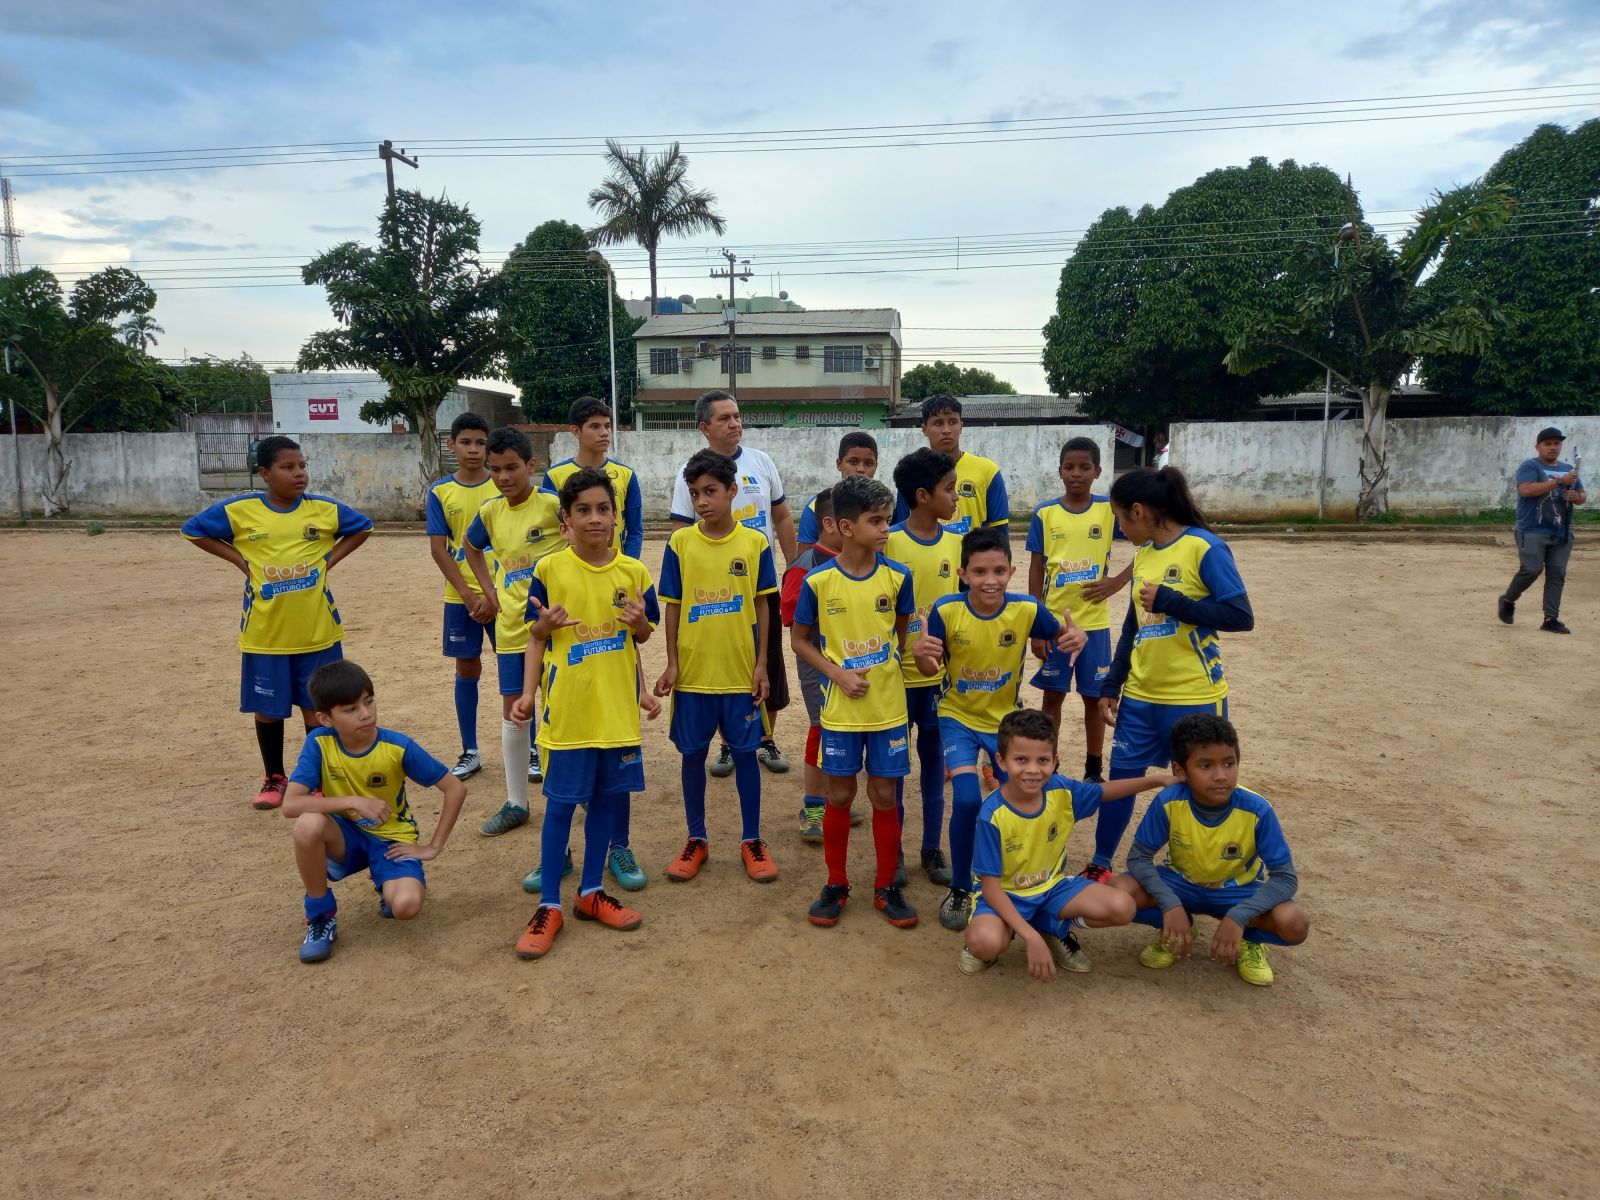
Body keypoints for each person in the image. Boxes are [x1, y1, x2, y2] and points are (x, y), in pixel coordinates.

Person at [510, 467, 661, 960]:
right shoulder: (551, 572)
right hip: (568, 717)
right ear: (565, 523)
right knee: (559, 807)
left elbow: (640, 638)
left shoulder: (635, 573)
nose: (594, 518)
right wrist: (528, 695)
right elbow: (536, 638)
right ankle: (549, 905)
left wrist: (641, 632)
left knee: (606, 803)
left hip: (616, 716)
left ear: (616, 516)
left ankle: (591, 892)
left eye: (603, 509)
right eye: (583, 511)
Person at [181, 435, 372, 810]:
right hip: (266, 635)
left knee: (316, 710)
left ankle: (316, 780)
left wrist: (329, 560)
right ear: (265, 473)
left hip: (317, 633)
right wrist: (239, 560)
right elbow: (192, 529)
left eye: (302, 466)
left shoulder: (323, 510)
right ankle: (275, 777)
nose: (299, 473)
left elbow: (363, 526)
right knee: (268, 710)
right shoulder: (241, 511)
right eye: (288, 467)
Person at [913, 526, 1086, 932]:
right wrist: (922, 655)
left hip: (1005, 723)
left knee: (1031, 797)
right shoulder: (946, 610)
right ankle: (961, 887)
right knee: (970, 800)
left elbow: (1064, 635)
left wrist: (1077, 636)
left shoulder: (1026, 609)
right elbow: (929, 668)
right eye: (979, 572)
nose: (989, 581)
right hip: (957, 717)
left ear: (1011, 571)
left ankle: (1029, 879)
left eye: (998, 571)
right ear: (962, 573)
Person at [1090, 467, 1253, 884]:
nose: (1121, 529)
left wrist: (1174, 601)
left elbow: (1240, 616)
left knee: (1201, 786)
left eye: (1121, 519)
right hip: (1141, 699)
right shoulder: (1144, 554)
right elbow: (1132, 627)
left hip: (1194, 696)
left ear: (1140, 511)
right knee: (1122, 782)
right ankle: (1101, 861)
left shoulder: (1205, 549)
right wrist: (1114, 683)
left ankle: (1203, 871)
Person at [960, 709, 1173, 979]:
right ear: (1001, 762)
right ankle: (1015, 932)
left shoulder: (1061, 790)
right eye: (1021, 759)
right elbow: (990, 889)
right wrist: (1030, 938)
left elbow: (1104, 792)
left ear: (1055, 760)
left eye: (1043, 760)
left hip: (1051, 888)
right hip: (1005, 895)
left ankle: (1053, 927)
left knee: (1123, 907)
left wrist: (1158, 780)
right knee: (985, 943)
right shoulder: (993, 814)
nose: (1033, 770)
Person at [792, 475, 918, 928]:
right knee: (840, 794)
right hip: (841, 710)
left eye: (888, 519)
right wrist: (837, 673)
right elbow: (799, 640)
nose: (886, 529)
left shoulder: (899, 576)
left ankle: (886, 885)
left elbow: (900, 639)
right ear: (845, 527)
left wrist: (908, 658)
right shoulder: (819, 581)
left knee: (884, 795)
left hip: (888, 709)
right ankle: (836, 882)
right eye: (876, 521)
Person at [282, 660, 467, 964]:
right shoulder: (319, 743)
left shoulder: (397, 746)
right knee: (307, 824)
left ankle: (388, 886)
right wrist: (353, 801)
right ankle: (320, 916)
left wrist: (433, 847)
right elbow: (291, 804)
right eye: (350, 709)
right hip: (345, 837)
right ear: (325, 718)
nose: (365, 714)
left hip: (390, 841)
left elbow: (455, 788)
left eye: (368, 702)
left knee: (406, 907)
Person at [654, 449, 781, 884]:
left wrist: (762, 664)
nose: (701, 501)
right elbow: (671, 607)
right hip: (693, 676)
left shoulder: (755, 543)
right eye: (694, 494)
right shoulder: (681, 543)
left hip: (740, 672)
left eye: (710, 491)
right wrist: (672, 663)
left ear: (732, 491)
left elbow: (763, 607)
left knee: (746, 754)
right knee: (693, 755)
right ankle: (696, 839)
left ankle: (752, 840)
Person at [1111, 713, 1309, 987]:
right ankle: (1174, 927)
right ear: (1180, 771)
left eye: (1229, 763)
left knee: (1294, 923)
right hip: (1180, 884)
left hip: (1237, 893)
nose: (1221, 776)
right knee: (1117, 892)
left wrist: (1241, 916)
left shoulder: (1257, 810)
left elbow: (1285, 878)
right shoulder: (1170, 801)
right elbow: (1139, 858)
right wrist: (1170, 904)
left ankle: (1250, 940)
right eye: (1205, 765)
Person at [669, 389, 797, 775]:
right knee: (721, 664)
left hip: (759, 585)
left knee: (767, 661)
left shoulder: (761, 462)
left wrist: (793, 568)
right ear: (705, 427)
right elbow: (680, 531)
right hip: (715, 591)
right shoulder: (687, 473)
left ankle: (765, 738)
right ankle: (727, 744)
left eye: (737, 416)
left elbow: (783, 519)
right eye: (725, 418)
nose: (735, 423)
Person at [462, 427, 563, 835]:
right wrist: (489, 589)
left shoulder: (554, 506)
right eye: (495, 470)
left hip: (557, 627)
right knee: (514, 712)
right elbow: (471, 546)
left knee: (560, 708)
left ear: (531, 466)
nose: (503, 477)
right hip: (511, 630)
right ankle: (516, 802)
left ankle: (564, 794)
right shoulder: (489, 512)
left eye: (511, 468)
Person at [1027, 437, 1130, 780]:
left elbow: (1149, 544)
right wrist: (1036, 624)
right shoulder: (1045, 513)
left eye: (1085, 467)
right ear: (1059, 471)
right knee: (1053, 698)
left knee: (1094, 700)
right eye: (1069, 467)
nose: (1076, 474)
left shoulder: (1108, 510)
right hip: (1055, 625)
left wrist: (1117, 581)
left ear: (1098, 471)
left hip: (1095, 626)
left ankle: (1092, 768)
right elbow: (1036, 568)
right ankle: (1049, 765)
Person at [886, 446, 962, 887]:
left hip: (939, 681)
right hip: (896, 678)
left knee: (935, 763)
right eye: (948, 489)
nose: (955, 497)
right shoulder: (889, 541)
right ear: (921, 495)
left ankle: (931, 849)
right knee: (894, 769)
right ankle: (892, 848)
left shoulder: (956, 544)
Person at [780, 488, 861, 842]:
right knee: (821, 729)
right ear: (832, 524)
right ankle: (812, 806)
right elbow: (789, 616)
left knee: (845, 730)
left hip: (853, 661)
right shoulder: (805, 566)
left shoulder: (863, 563)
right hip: (817, 665)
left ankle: (833, 800)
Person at [425, 413, 499, 781]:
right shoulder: (440, 491)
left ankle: (533, 747)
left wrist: (491, 594)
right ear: (451, 444)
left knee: (520, 669)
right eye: (466, 442)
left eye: (480, 442)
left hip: (503, 597)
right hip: (461, 599)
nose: (473, 450)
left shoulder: (502, 487)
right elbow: (440, 549)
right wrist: (470, 596)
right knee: (467, 666)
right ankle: (470, 750)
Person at [1499, 426, 1586, 634]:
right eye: (1548, 444)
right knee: (1531, 569)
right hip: (1532, 528)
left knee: (1557, 573)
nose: (1553, 448)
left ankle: (1551, 618)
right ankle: (1508, 599)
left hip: (1561, 531)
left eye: (1556, 443)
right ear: (1538, 446)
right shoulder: (1530, 466)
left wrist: (1576, 497)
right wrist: (1558, 483)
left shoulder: (1568, 469)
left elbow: (1582, 495)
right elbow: (1526, 490)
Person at [541, 395, 643, 559]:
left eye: (607, 426)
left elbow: (635, 530)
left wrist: (628, 566)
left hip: (613, 569)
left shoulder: (626, 475)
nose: (604, 433)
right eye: (595, 426)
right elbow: (553, 530)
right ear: (576, 431)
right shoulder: (554, 476)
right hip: (572, 571)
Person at [892, 395, 1007, 534]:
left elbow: (999, 530)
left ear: (961, 426)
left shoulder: (988, 470)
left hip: (971, 555)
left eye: (952, 422)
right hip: (924, 556)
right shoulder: (912, 474)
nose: (946, 430)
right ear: (924, 429)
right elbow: (902, 531)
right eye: (938, 423)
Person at [797, 431, 879, 553]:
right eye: (853, 462)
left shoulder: (884, 507)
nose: (861, 469)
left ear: (876, 465)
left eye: (869, 463)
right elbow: (805, 558)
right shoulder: (816, 507)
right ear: (839, 464)